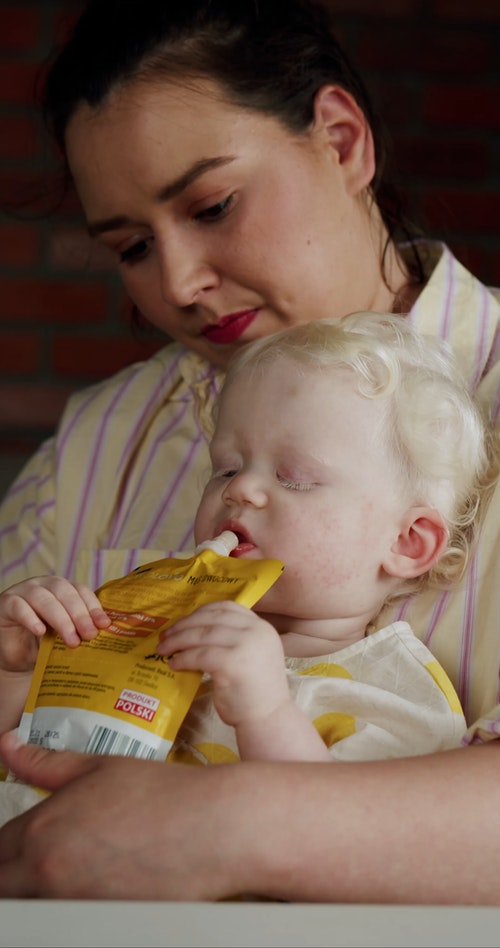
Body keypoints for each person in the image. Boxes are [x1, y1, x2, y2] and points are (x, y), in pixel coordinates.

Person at [0, 0, 499, 904]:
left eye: (213, 205)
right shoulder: (102, 439)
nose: (180, 282)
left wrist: (233, 824)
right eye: (133, 247)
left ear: (343, 141)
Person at [3, 312, 490, 781]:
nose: (240, 490)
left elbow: (344, 838)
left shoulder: (391, 692)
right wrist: (17, 670)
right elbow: (27, 752)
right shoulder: (145, 626)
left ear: (406, 543)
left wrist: (267, 711)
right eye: (227, 468)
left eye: (293, 478)